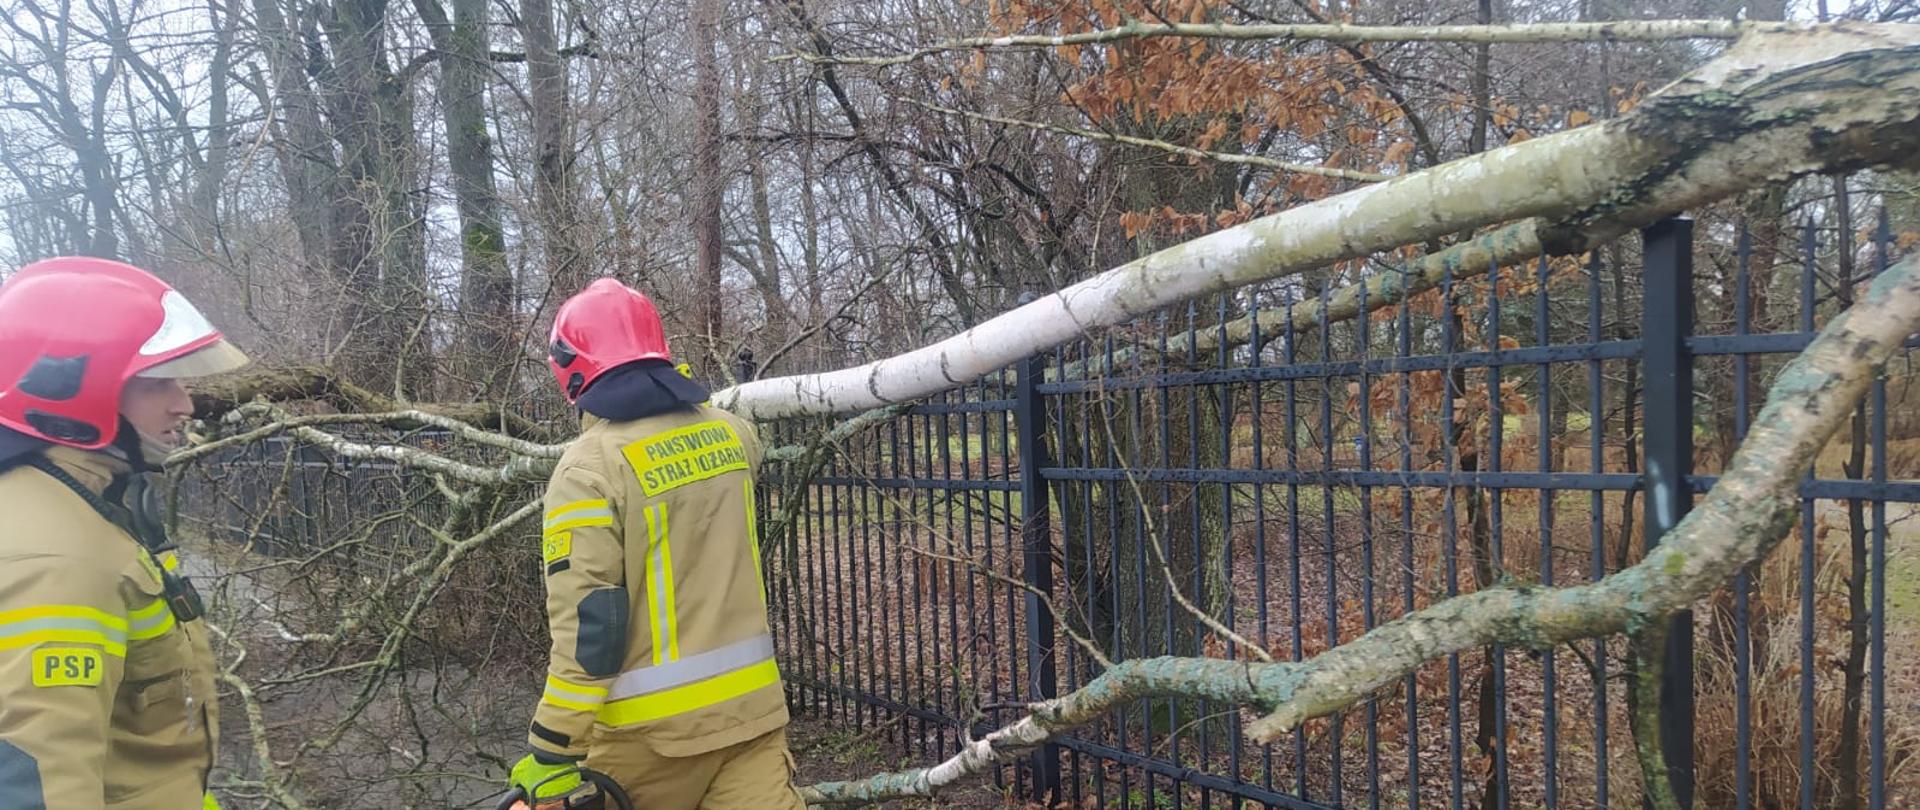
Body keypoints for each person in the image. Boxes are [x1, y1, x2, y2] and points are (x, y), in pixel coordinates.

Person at [507, 278, 805, 809]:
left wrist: (553, 747)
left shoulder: (587, 469)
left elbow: (591, 628)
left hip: (648, 742)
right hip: (752, 720)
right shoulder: (734, 434)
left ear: (569, 368)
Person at [0, 257, 251, 809]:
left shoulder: (81, 501)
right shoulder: (56, 558)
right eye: (157, 384)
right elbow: (38, 784)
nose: (183, 403)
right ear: (70, 392)